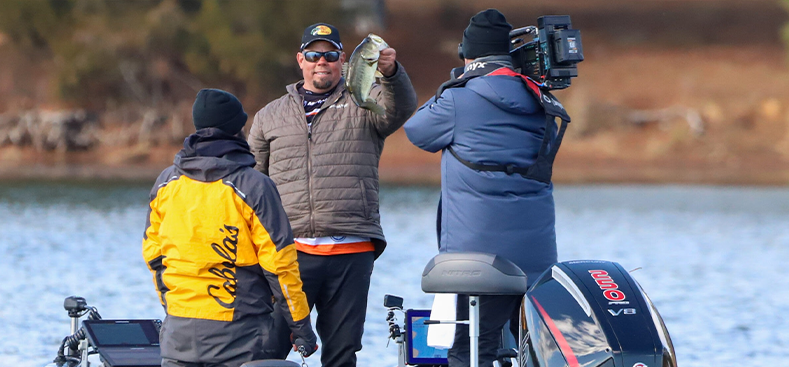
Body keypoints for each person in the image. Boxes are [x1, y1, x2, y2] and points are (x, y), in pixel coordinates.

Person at [247, 23, 417, 367]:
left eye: (329, 55)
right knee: (267, 351)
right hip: (289, 256)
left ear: (343, 59)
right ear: (300, 60)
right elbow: (252, 187)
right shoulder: (269, 116)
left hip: (351, 252)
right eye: (313, 54)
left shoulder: (364, 102)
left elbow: (400, 109)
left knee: (341, 354)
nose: (321, 61)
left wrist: (391, 73)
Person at [403, 9, 564, 367]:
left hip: (478, 258)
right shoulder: (539, 98)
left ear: (468, 54)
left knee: (469, 349)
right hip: (536, 257)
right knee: (527, 349)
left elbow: (417, 132)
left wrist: (456, 82)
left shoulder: (460, 99)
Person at [142, 89, 318, 367]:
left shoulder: (166, 183)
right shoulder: (254, 186)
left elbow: (154, 257)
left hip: (177, 337)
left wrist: (172, 308)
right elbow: (280, 266)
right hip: (239, 339)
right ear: (239, 129)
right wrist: (302, 329)